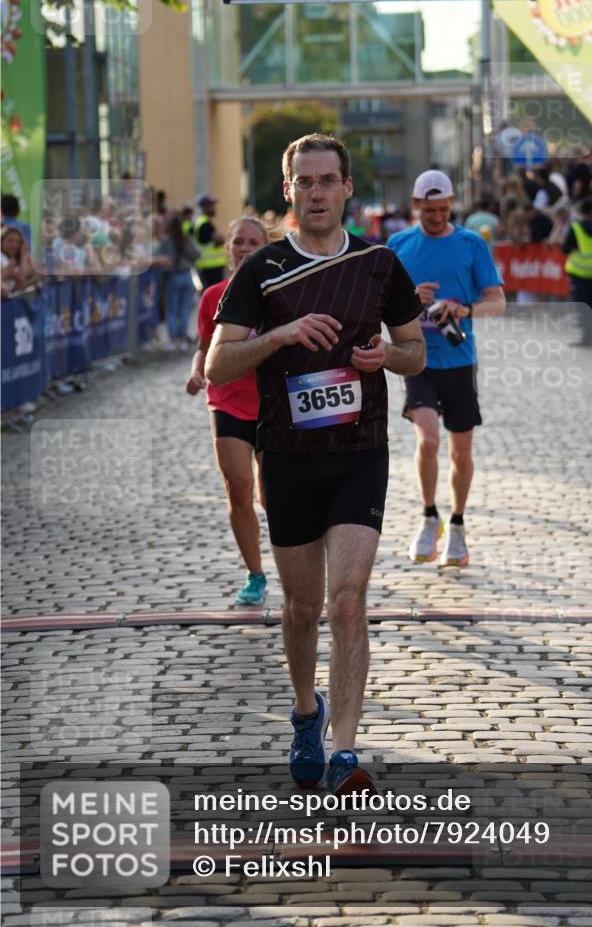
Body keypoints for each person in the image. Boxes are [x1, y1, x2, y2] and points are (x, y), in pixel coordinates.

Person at [205, 133, 424, 793]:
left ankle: (344, 753)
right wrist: (279, 336)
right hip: (290, 457)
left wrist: (385, 355)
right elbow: (218, 365)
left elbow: (414, 352)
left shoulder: (381, 263)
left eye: (328, 180)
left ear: (347, 188)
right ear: (289, 191)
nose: (318, 192)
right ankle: (306, 713)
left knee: (348, 599)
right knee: (301, 607)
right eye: (306, 182)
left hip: (360, 452)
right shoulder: (261, 271)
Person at [386, 170, 506, 568]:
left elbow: (497, 301)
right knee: (428, 440)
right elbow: (380, 304)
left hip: (459, 358)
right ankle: (427, 517)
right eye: (428, 210)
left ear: (451, 204)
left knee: (461, 450)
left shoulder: (471, 243)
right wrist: (408, 297)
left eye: (443, 209)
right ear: (415, 205)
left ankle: (456, 524)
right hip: (417, 357)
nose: (437, 216)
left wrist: (465, 309)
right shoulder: (399, 244)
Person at [186, 217, 270, 605]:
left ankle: (297, 563)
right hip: (228, 401)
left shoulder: (278, 296)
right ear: (228, 248)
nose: (245, 248)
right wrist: (195, 373)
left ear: (266, 249)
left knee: (275, 498)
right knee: (239, 490)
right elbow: (205, 348)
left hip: (273, 405)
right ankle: (255, 574)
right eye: (238, 241)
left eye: (254, 242)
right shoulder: (212, 297)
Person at [562, 197, 592, 347]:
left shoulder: (576, 228)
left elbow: (565, 248)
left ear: (581, 212)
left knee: (583, 307)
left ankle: (587, 338)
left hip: (578, 272)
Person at [158, 215, 200, 349]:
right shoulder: (186, 240)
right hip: (187, 276)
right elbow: (197, 255)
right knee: (184, 309)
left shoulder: (166, 242)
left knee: (171, 310)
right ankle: (183, 339)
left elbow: (162, 260)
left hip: (172, 277)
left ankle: (173, 339)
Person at [193, 195, 227, 288]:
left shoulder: (201, 221)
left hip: (208, 266)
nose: (213, 208)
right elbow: (220, 239)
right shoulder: (204, 223)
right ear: (204, 207)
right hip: (210, 266)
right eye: (211, 205)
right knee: (213, 295)